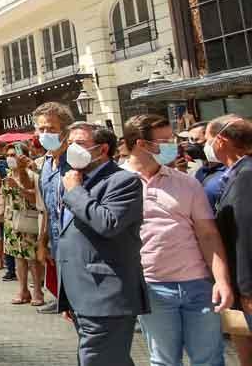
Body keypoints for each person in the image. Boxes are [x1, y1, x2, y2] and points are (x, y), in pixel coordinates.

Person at [124, 113, 231, 366]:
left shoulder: (187, 183)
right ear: (141, 144)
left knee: (210, 359)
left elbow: (208, 234)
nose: (173, 144)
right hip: (151, 286)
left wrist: (221, 281)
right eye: (165, 140)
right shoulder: (118, 183)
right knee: (164, 361)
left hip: (198, 285)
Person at [56, 122, 147, 366]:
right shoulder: (74, 180)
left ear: (102, 149)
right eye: (70, 143)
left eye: (81, 143)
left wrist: (75, 192)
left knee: (96, 359)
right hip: (82, 294)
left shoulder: (123, 181)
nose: (73, 149)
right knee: (110, 359)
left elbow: (108, 224)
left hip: (107, 296)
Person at [206, 115, 252, 365]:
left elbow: (246, 235)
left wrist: (246, 290)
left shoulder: (246, 175)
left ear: (221, 140)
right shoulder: (238, 172)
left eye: (209, 140)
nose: (207, 146)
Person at [34, 101, 74, 314]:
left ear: (65, 132)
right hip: (57, 243)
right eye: (42, 129)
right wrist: (43, 242)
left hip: (78, 245)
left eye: (51, 128)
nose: (45, 133)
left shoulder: (77, 161)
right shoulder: (47, 164)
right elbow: (48, 209)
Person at [1, 144, 44, 306]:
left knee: (32, 259)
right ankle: (23, 290)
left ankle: (37, 291)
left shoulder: (32, 173)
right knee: (19, 258)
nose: (11, 157)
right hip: (11, 221)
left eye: (14, 154)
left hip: (29, 220)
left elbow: (35, 199)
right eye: (8, 155)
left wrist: (18, 187)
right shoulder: (7, 174)